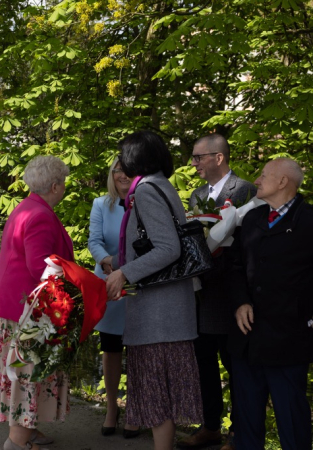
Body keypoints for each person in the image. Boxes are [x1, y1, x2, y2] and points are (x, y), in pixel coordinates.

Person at [0, 155, 73, 450]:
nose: (63, 188)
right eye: (62, 183)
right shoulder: (39, 214)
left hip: (8, 304)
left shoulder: (27, 206)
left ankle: (29, 430)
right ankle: (17, 442)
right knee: (27, 374)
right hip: (23, 310)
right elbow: (39, 267)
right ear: (55, 186)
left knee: (18, 374)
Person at [105, 131, 202, 450]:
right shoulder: (160, 184)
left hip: (159, 315)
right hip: (168, 311)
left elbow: (168, 248)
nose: (119, 162)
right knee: (163, 393)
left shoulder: (146, 190)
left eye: (123, 155)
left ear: (135, 158)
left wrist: (124, 272)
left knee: (157, 392)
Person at [178, 134, 256, 450]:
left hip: (235, 294)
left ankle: (239, 433)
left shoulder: (246, 190)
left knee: (237, 365)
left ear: (218, 157)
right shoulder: (197, 195)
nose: (193, 163)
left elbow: (250, 242)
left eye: (198, 157)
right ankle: (210, 426)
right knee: (204, 363)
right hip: (203, 293)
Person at [228, 158, 312, 450]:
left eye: (264, 176)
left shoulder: (309, 220)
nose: (257, 180)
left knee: (292, 421)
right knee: (247, 420)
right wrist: (240, 302)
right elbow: (236, 266)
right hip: (247, 340)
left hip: (288, 340)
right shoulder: (252, 219)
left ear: (282, 182)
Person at [88, 159, 139, 439]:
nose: (122, 175)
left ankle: (135, 408)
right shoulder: (100, 204)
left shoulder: (143, 203)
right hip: (107, 282)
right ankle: (111, 407)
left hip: (138, 282)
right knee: (111, 347)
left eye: (127, 170)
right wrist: (107, 261)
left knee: (139, 348)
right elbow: (94, 240)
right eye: (117, 170)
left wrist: (127, 269)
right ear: (111, 175)